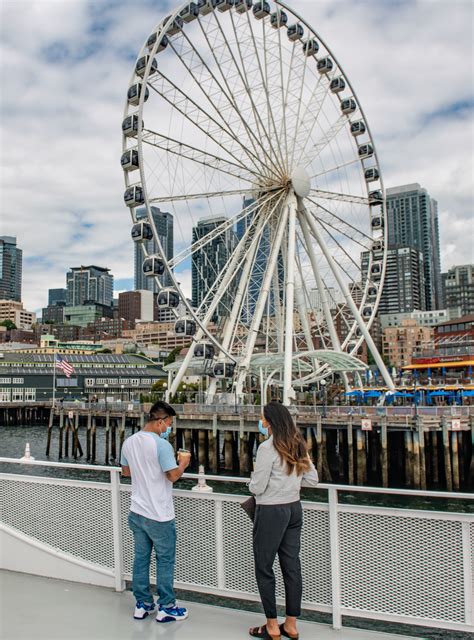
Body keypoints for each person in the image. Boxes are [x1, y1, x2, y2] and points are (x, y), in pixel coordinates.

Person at [248, 402, 319, 640]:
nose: (261, 420)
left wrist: (251, 482)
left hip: (271, 511)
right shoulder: (297, 444)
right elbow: (313, 480)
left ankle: (271, 626)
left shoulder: (267, 447)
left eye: (263, 417)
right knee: (291, 567)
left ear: (270, 421)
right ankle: (291, 624)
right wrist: (291, 483)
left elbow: (258, 487)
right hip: (294, 509)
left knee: (264, 567)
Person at [120, 400, 191, 623]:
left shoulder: (129, 442)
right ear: (160, 422)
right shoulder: (161, 445)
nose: (169, 428)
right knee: (165, 560)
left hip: (137, 511)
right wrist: (183, 464)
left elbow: (126, 472)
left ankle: (142, 603)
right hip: (159, 514)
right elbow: (172, 476)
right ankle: (167, 606)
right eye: (169, 423)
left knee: (141, 559)